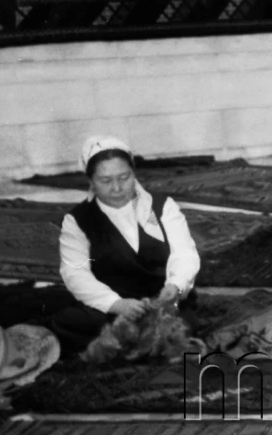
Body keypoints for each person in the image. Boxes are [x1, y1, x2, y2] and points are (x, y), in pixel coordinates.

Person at [50, 136, 201, 357]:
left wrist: (175, 286)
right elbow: (75, 273)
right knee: (71, 321)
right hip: (113, 306)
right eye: (106, 180)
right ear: (91, 181)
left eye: (124, 177)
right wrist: (117, 304)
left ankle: (132, 343)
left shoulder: (161, 207)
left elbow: (184, 252)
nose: (117, 188)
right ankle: (146, 343)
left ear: (134, 174)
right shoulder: (78, 220)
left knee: (179, 323)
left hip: (161, 302)